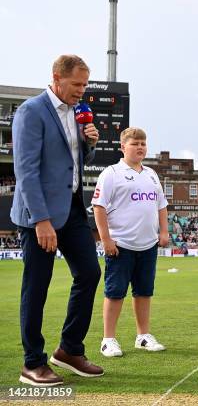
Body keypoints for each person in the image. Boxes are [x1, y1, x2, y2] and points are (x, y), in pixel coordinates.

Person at [11, 55, 103, 386]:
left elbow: (74, 162)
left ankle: (69, 350)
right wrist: (41, 220)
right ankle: (32, 363)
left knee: (90, 273)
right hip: (41, 216)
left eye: (85, 84)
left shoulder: (77, 115)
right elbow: (26, 170)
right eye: (77, 84)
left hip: (73, 210)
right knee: (37, 286)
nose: (82, 91)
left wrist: (89, 144)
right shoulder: (31, 111)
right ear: (56, 78)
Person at [91, 127, 169, 357]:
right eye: (135, 143)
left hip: (148, 245)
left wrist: (164, 231)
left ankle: (143, 336)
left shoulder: (151, 174)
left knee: (144, 292)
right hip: (121, 244)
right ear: (123, 147)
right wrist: (105, 238)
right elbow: (99, 206)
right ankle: (108, 340)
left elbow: (161, 205)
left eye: (143, 143)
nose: (140, 147)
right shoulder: (111, 173)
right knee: (115, 292)